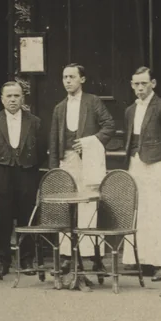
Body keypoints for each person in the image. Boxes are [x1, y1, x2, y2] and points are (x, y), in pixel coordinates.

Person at [48, 64, 114, 264]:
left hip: (88, 161)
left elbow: (109, 125)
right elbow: (53, 138)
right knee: (67, 206)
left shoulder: (93, 102)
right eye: (65, 77)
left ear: (82, 80)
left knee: (89, 205)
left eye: (72, 77)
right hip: (67, 161)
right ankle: (68, 255)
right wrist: (54, 169)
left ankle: (94, 255)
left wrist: (90, 142)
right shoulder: (60, 107)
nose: (67, 81)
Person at [122, 67, 161, 278]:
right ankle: (143, 260)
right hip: (137, 163)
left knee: (159, 213)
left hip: (157, 165)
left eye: (144, 83)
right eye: (136, 84)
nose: (140, 88)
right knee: (141, 211)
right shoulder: (130, 110)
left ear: (153, 84)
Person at [0, 81, 42, 278]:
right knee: (3, 218)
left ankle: (27, 260)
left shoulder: (35, 121)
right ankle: (3, 261)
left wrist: (28, 164)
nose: (13, 100)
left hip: (26, 173)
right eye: (9, 96)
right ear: (2, 99)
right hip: (2, 174)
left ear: (23, 98)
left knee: (27, 216)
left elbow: (42, 149)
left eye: (16, 96)